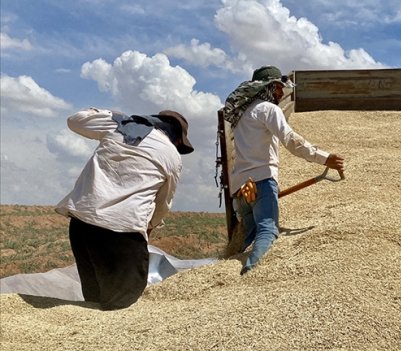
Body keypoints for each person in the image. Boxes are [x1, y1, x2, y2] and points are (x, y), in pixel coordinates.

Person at [55, 107, 194, 310]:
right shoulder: (171, 155)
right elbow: (163, 203)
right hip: (121, 233)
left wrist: (114, 115)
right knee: (122, 306)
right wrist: (149, 228)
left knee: (94, 298)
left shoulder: (120, 128)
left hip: (82, 226)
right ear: (178, 139)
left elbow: (75, 120)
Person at [223, 65, 345, 275]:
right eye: (278, 88)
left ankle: (228, 268)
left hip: (240, 190)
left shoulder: (242, 116)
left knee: (249, 235)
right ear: (268, 88)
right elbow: (291, 140)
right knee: (268, 231)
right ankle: (251, 273)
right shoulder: (269, 110)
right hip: (261, 183)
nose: (281, 93)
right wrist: (325, 158)